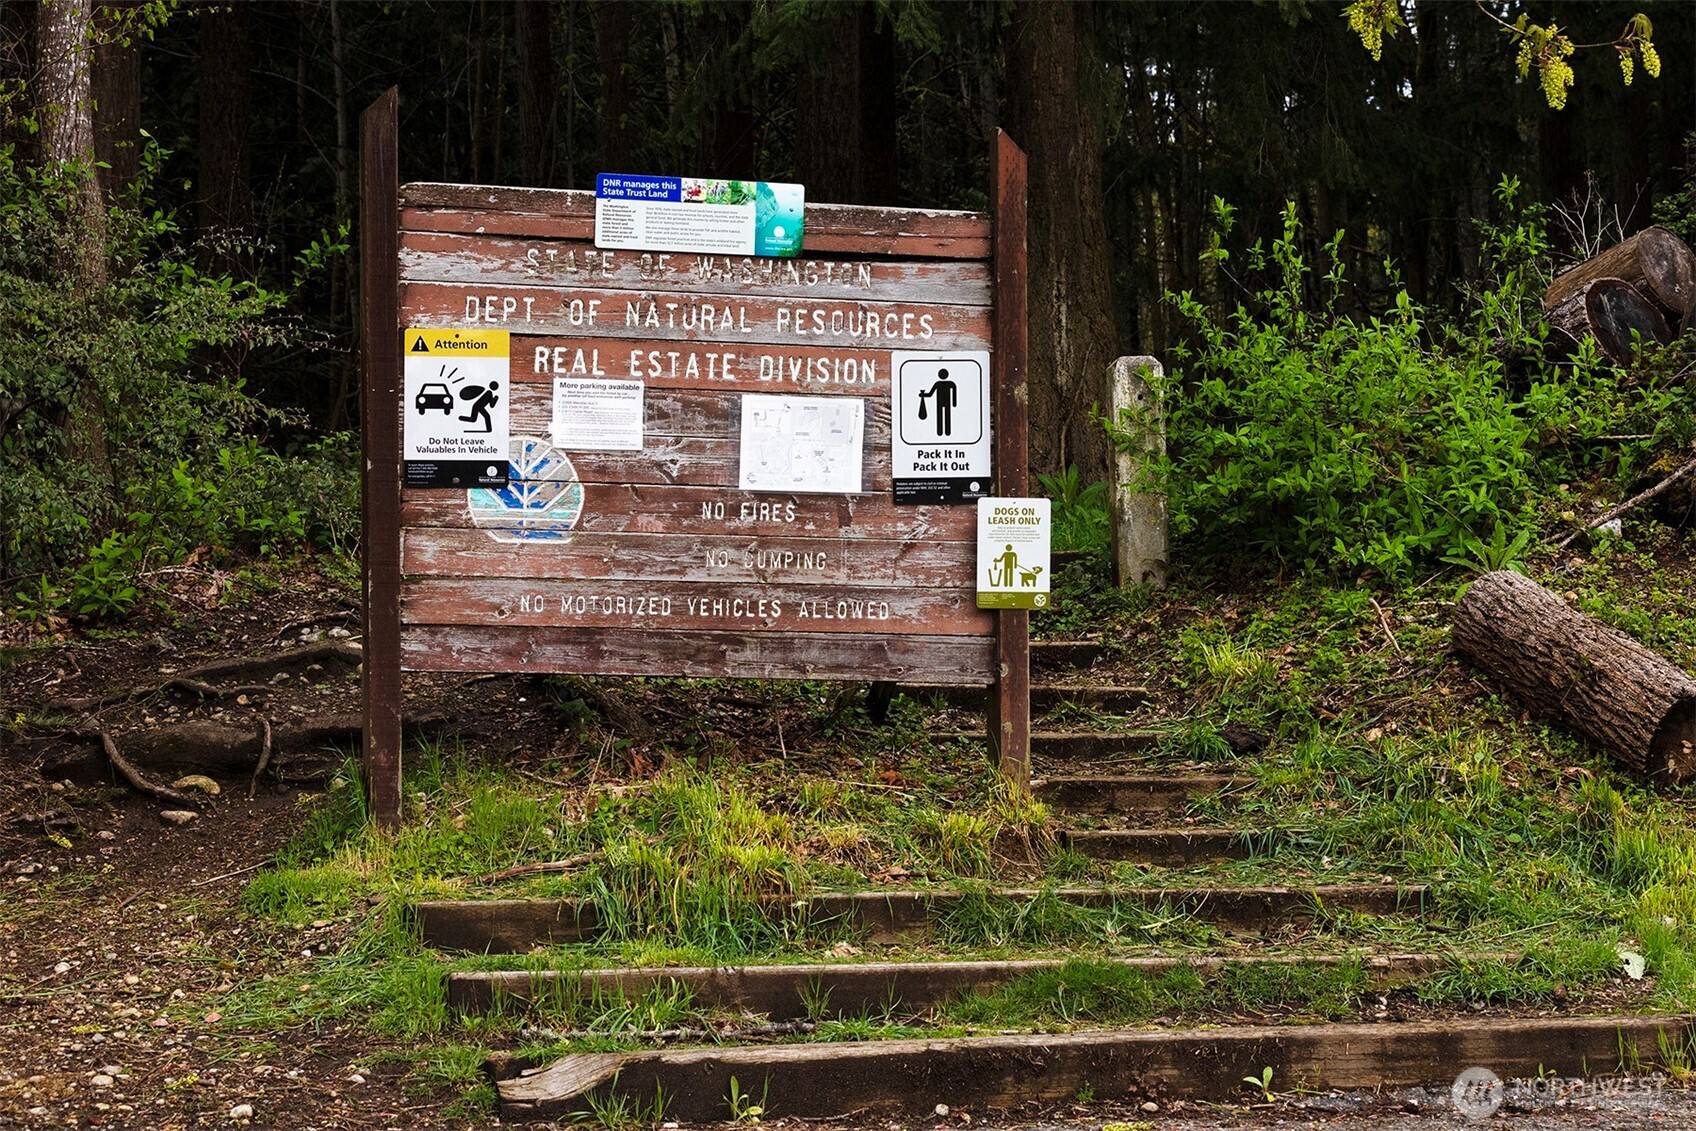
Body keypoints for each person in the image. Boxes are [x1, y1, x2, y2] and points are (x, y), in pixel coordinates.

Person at [916, 368, 958, 437]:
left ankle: (943, 432)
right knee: (943, 416)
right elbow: (931, 393)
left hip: (942, 402)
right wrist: (954, 403)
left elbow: (930, 394)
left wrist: (954, 403)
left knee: (942, 416)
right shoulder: (947, 383)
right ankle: (944, 432)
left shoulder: (940, 384)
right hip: (943, 402)